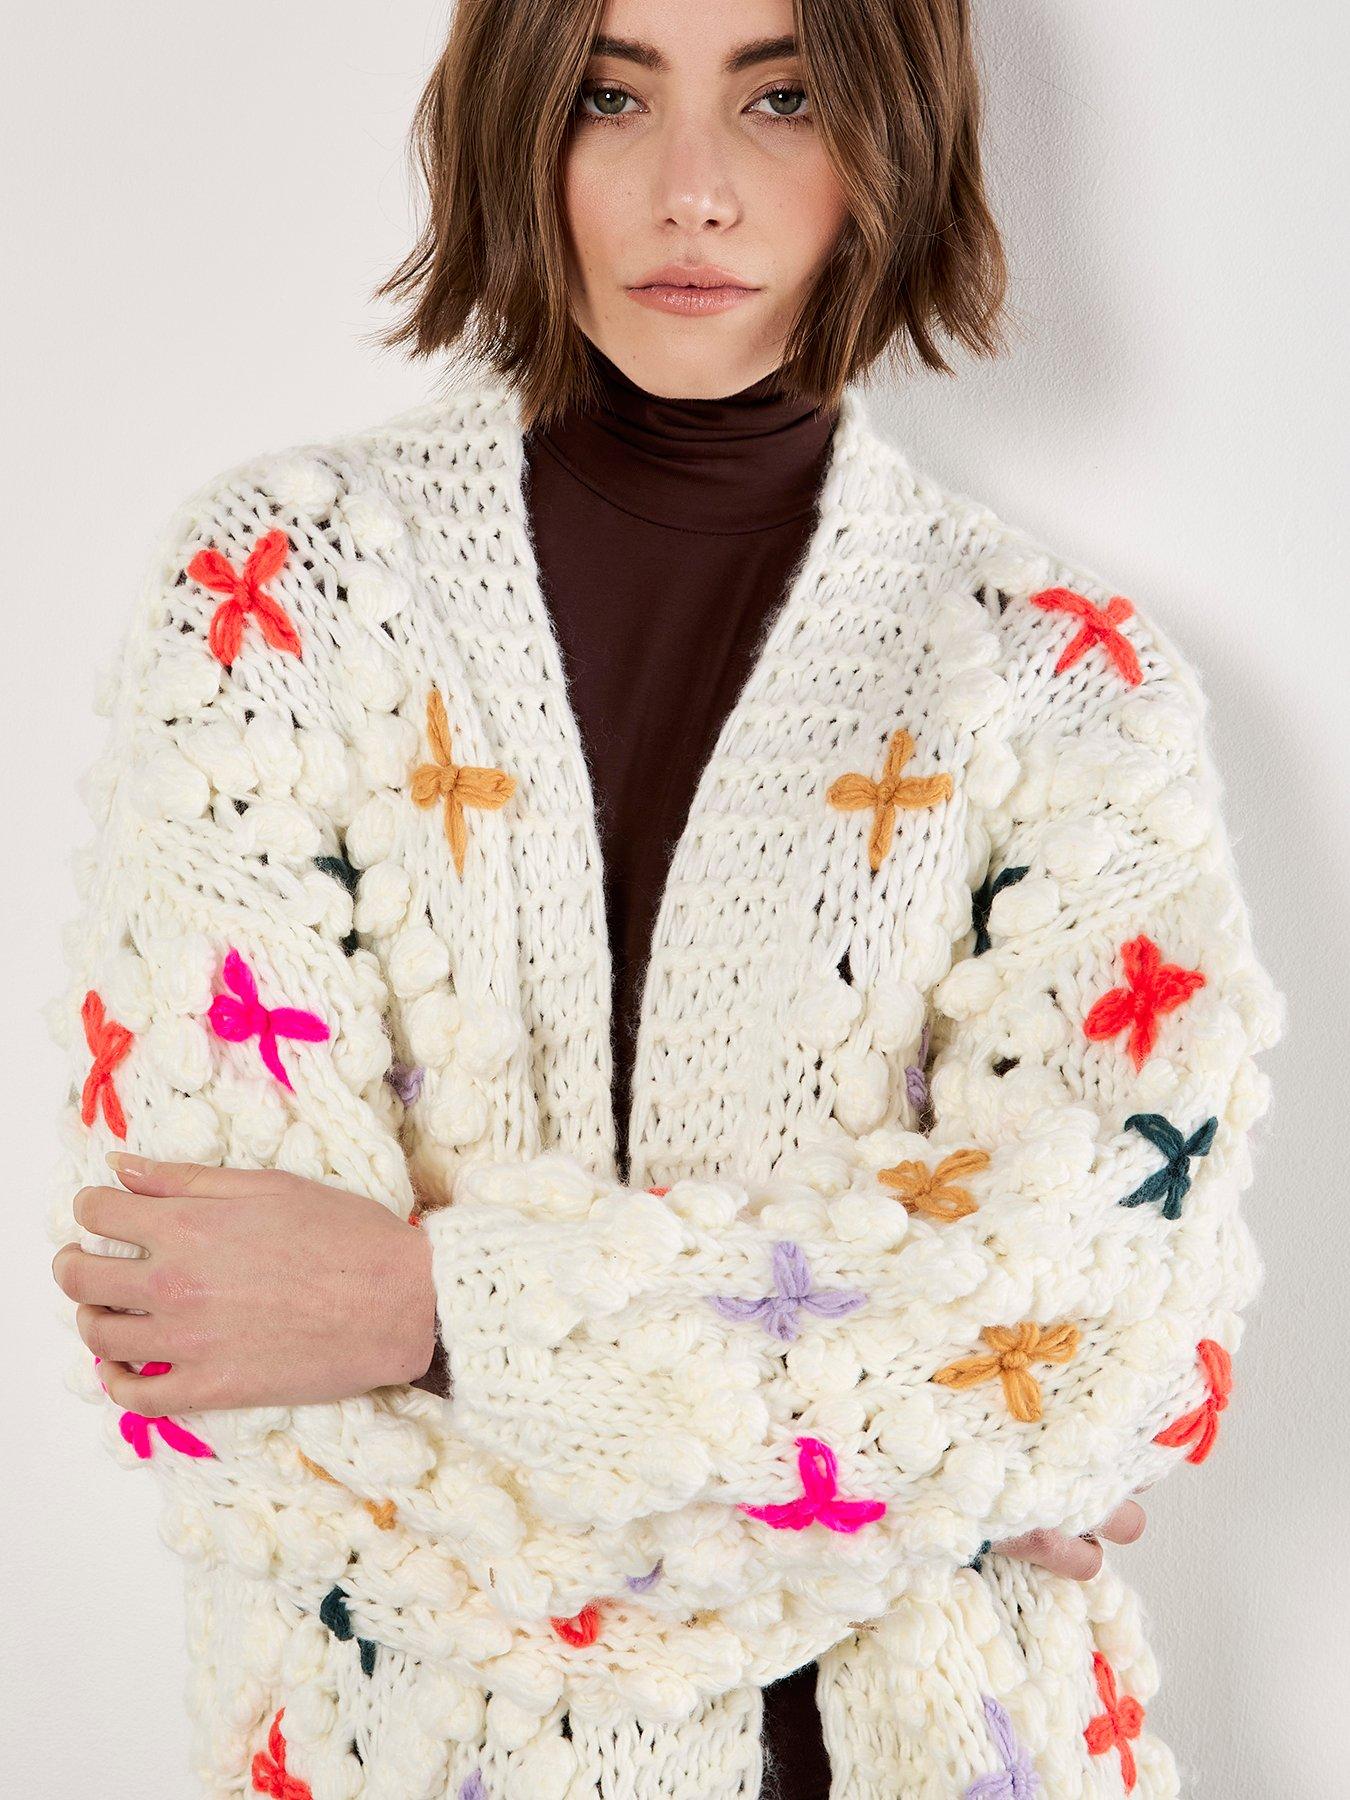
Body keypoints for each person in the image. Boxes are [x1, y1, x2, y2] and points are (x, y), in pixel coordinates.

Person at [46, 2, 1282, 1796]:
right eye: (609, 96)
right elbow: (207, 1329)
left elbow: (1120, 1324)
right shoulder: (279, 601)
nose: (691, 190)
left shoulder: (1058, 675)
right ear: (515, 124)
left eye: (780, 98)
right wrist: (924, 1464)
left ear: (890, 138)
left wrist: (434, 1308)